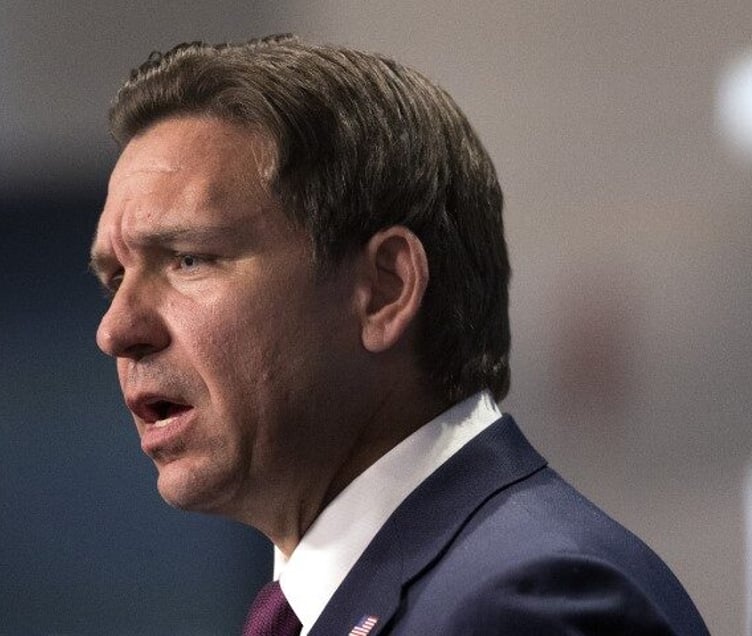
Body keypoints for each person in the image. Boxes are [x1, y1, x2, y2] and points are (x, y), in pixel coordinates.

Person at [90, 35, 708, 635]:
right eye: (114, 278)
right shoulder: (356, 599)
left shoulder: (520, 607)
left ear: (383, 291)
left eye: (188, 258)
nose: (117, 329)